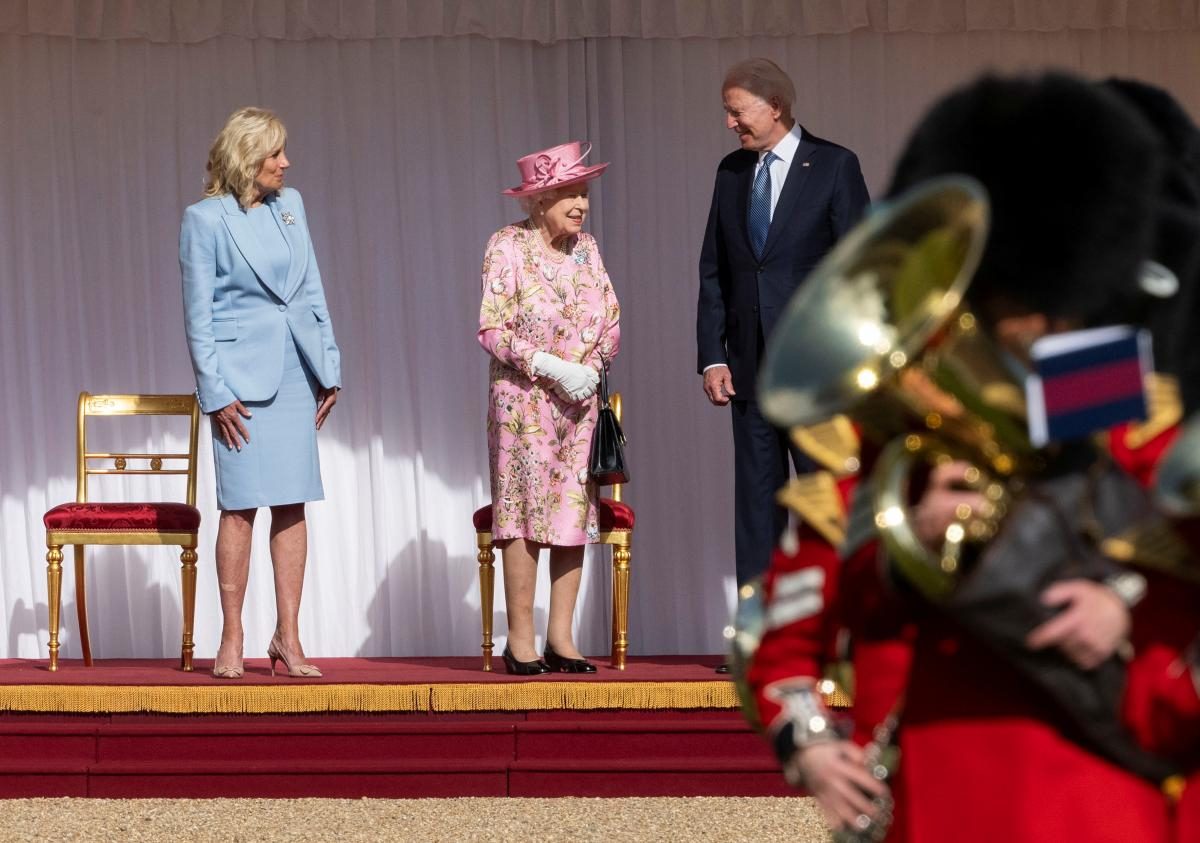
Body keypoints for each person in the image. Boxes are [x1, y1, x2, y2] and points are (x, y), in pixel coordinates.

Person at [696, 57, 870, 646]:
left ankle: (834, 636)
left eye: (736, 110)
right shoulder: (730, 172)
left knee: (825, 508)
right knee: (757, 509)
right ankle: (760, 639)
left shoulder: (836, 166)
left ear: (775, 106)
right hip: (748, 370)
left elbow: (859, 272)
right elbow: (715, 271)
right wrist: (712, 356)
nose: (729, 123)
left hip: (817, 374)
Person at [180, 107, 341, 680]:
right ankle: (231, 634)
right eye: (275, 154)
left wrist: (330, 365)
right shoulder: (204, 220)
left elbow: (311, 287)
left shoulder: (291, 206)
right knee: (240, 506)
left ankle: (288, 638)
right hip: (238, 384)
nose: (285, 163)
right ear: (247, 159)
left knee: (293, 502)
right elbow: (198, 317)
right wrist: (214, 392)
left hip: (296, 373)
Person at [478, 141, 621, 676]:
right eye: (568, 193)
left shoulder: (588, 249)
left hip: (577, 405)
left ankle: (562, 638)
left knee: (570, 515)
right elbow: (491, 327)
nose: (581, 203)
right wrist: (549, 364)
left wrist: (592, 363)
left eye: (583, 192)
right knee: (519, 514)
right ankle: (521, 641)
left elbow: (611, 316)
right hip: (523, 403)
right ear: (538, 201)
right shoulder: (506, 246)